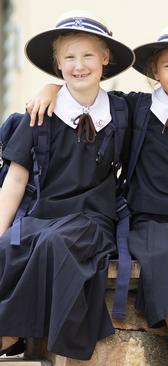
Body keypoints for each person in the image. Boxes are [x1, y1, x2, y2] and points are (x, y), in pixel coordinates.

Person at [27, 26, 168, 366]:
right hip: (145, 216)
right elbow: (87, 94)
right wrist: (52, 87)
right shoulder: (134, 108)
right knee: (161, 260)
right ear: (154, 71)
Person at [0, 11, 133, 360]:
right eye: (69, 57)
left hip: (93, 219)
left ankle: (9, 333)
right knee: (10, 249)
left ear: (105, 58)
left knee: (57, 244)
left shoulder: (123, 112)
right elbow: (16, 178)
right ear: (57, 63)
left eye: (88, 55)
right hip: (44, 215)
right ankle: (15, 340)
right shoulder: (39, 113)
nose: (79, 65)